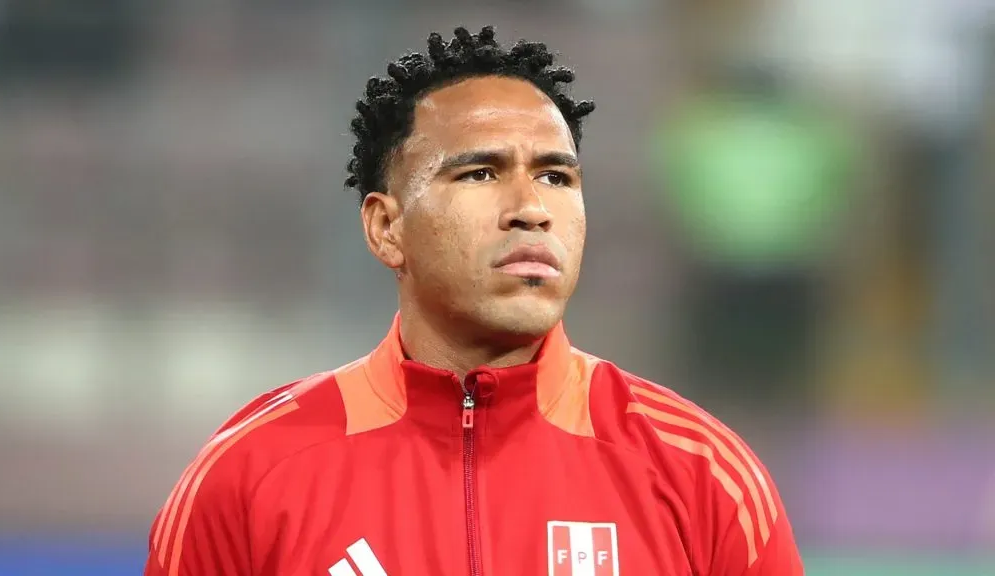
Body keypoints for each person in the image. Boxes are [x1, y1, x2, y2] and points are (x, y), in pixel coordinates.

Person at [143, 26, 803, 576]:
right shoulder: (251, 474)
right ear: (386, 227)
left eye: (555, 175)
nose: (531, 209)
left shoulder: (701, 476)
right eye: (480, 173)